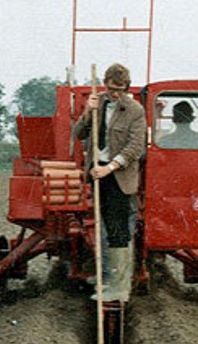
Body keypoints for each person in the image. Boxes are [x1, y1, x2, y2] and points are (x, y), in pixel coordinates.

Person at [71, 62, 146, 303]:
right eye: (112, 88)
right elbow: (79, 134)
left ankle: (119, 287)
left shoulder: (135, 110)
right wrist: (87, 112)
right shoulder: (98, 103)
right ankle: (107, 279)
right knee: (103, 226)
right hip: (98, 174)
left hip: (118, 176)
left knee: (118, 229)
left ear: (127, 87)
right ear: (105, 84)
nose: (116, 94)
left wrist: (110, 167)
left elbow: (135, 147)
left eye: (121, 89)